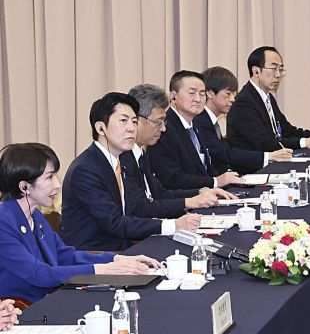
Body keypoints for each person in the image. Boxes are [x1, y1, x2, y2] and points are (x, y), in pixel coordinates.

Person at [0, 143, 158, 303]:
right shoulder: (3, 222)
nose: (57, 184)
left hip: (49, 299)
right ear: (24, 187)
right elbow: (38, 274)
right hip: (22, 309)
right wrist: (102, 270)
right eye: (49, 177)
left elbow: (65, 256)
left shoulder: (35, 216)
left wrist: (118, 259)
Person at [61, 92, 202, 251]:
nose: (131, 128)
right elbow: (115, 223)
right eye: (123, 121)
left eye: (134, 121)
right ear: (100, 128)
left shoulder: (119, 160)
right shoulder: (86, 169)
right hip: (95, 256)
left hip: (122, 247)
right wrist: (173, 225)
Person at [127, 83, 233, 217]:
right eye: (158, 122)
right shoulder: (124, 158)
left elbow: (159, 193)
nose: (163, 129)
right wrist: (189, 203)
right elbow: (142, 208)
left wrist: (199, 193)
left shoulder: (140, 152)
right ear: (137, 120)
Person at [226, 46, 310, 152]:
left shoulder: (267, 98)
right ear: (256, 72)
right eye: (274, 68)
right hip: (254, 169)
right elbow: (264, 143)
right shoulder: (244, 102)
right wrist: (305, 142)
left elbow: (287, 131)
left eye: (281, 69)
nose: (278, 75)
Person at [150, 70, 243, 190]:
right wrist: (215, 181)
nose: (198, 99)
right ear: (173, 96)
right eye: (192, 93)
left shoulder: (196, 123)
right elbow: (171, 178)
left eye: (202, 93)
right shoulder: (164, 128)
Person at [198, 66, 291, 174]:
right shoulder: (201, 121)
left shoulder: (210, 120)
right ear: (210, 93)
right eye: (228, 94)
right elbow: (223, 154)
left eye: (234, 94)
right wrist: (268, 156)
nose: (233, 99)